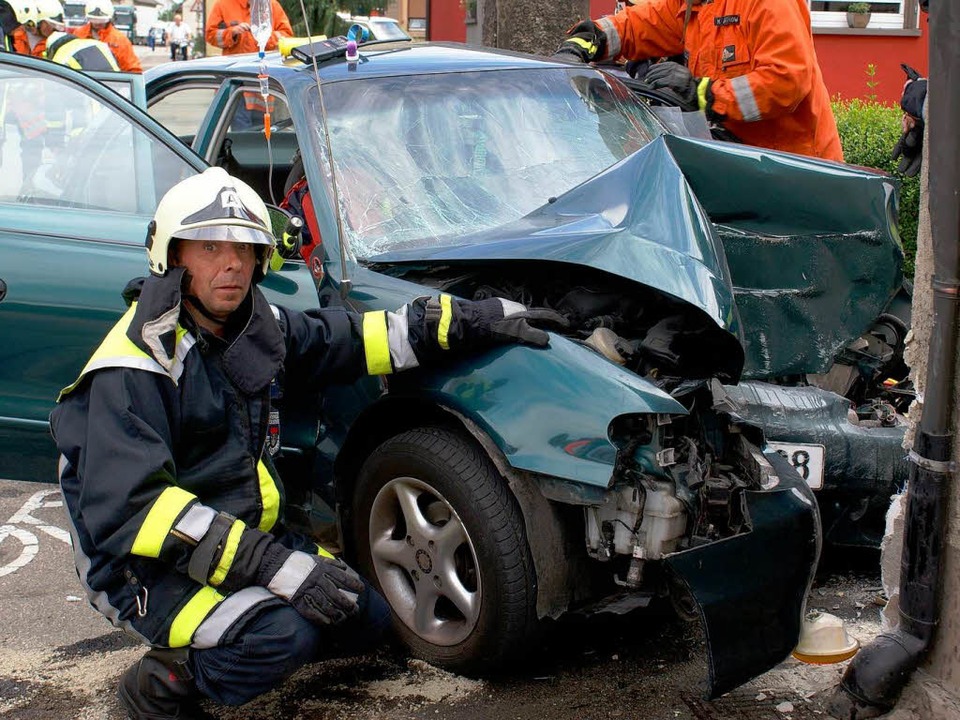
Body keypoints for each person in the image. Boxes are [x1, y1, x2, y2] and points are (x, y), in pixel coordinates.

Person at [50, 167, 562, 720]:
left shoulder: (252, 324)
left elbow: (352, 340)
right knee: (282, 638)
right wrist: (277, 568)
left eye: (245, 249)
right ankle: (163, 683)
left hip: (239, 535)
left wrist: (471, 319)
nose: (232, 265)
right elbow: (138, 512)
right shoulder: (133, 366)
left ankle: (259, 606)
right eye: (210, 247)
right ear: (174, 257)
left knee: (364, 618)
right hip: (141, 565)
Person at [555, 0, 843, 162]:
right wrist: (591, 38)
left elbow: (787, 82)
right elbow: (637, 25)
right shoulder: (695, 7)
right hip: (741, 162)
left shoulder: (768, 3)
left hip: (799, 172)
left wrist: (702, 93)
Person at [73, 0, 141, 73]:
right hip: (82, 79)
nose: (97, 23)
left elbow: (133, 69)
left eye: (101, 21)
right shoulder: (78, 34)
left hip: (110, 81)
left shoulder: (120, 40)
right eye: (94, 20)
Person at [204, 0, 291, 56]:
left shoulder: (272, 5)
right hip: (235, 69)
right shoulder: (222, 5)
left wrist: (264, 37)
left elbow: (287, 36)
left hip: (267, 64)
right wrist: (232, 33)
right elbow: (210, 35)